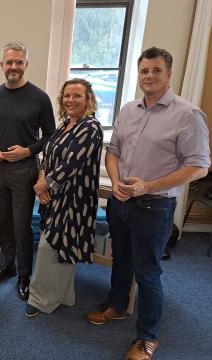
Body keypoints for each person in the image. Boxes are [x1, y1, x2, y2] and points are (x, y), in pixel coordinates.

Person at [86, 47, 210, 360]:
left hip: (154, 206)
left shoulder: (188, 115)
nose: (149, 76)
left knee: (148, 273)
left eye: (156, 70)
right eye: (144, 71)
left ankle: (147, 337)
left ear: (169, 74)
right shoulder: (128, 110)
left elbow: (198, 166)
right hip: (121, 200)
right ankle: (116, 306)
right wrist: (116, 183)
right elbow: (112, 152)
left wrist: (147, 186)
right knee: (122, 260)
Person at [0, 41, 56, 300]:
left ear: (26, 64)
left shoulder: (40, 98)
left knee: (21, 225)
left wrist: (28, 151)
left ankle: (25, 274)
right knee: (4, 223)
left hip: (24, 171)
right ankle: (8, 265)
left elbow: (50, 135)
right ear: (1, 65)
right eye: (9, 62)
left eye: (19, 62)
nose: (14, 67)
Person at [24, 79, 103, 318]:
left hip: (75, 200)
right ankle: (64, 296)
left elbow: (72, 165)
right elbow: (47, 158)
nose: (70, 100)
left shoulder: (91, 127)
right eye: (67, 95)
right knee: (62, 249)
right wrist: (42, 183)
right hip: (54, 195)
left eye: (77, 96)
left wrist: (42, 186)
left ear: (88, 99)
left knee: (51, 247)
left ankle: (38, 299)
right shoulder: (64, 125)